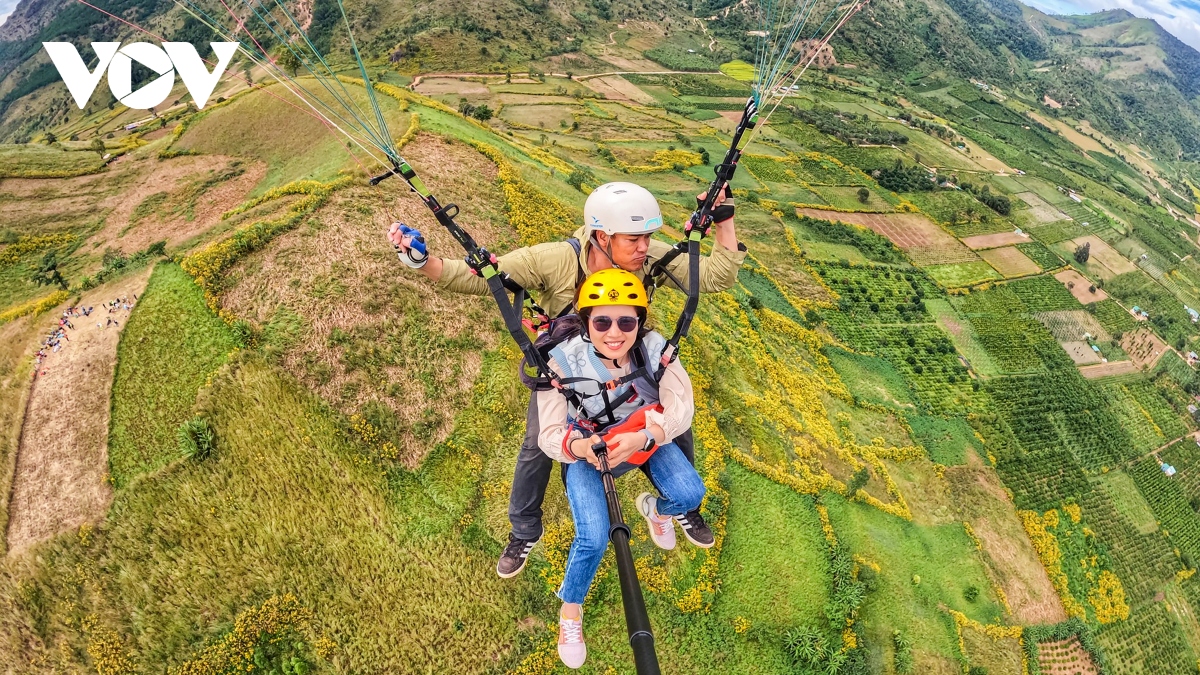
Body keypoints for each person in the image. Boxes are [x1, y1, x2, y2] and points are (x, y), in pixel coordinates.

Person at [388, 181, 745, 578]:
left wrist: (724, 216)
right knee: (537, 444)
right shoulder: (557, 260)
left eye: (648, 237)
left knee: (676, 424)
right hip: (566, 367)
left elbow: (713, 277)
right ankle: (524, 529)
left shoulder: (645, 260)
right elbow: (484, 277)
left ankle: (681, 504)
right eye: (634, 239)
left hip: (625, 357)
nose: (644, 247)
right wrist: (422, 261)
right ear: (602, 236)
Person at [535, 269, 705, 668]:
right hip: (589, 446)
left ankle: (655, 511)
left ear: (640, 323)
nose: (615, 332)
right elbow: (549, 432)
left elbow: (682, 406)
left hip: (642, 433)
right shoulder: (562, 362)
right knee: (593, 537)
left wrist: (647, 436)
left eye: (626, 321)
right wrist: (578, 446)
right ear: (586, 322)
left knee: (689, 494)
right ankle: (570, 611)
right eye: (602, 321)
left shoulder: (654, 350)